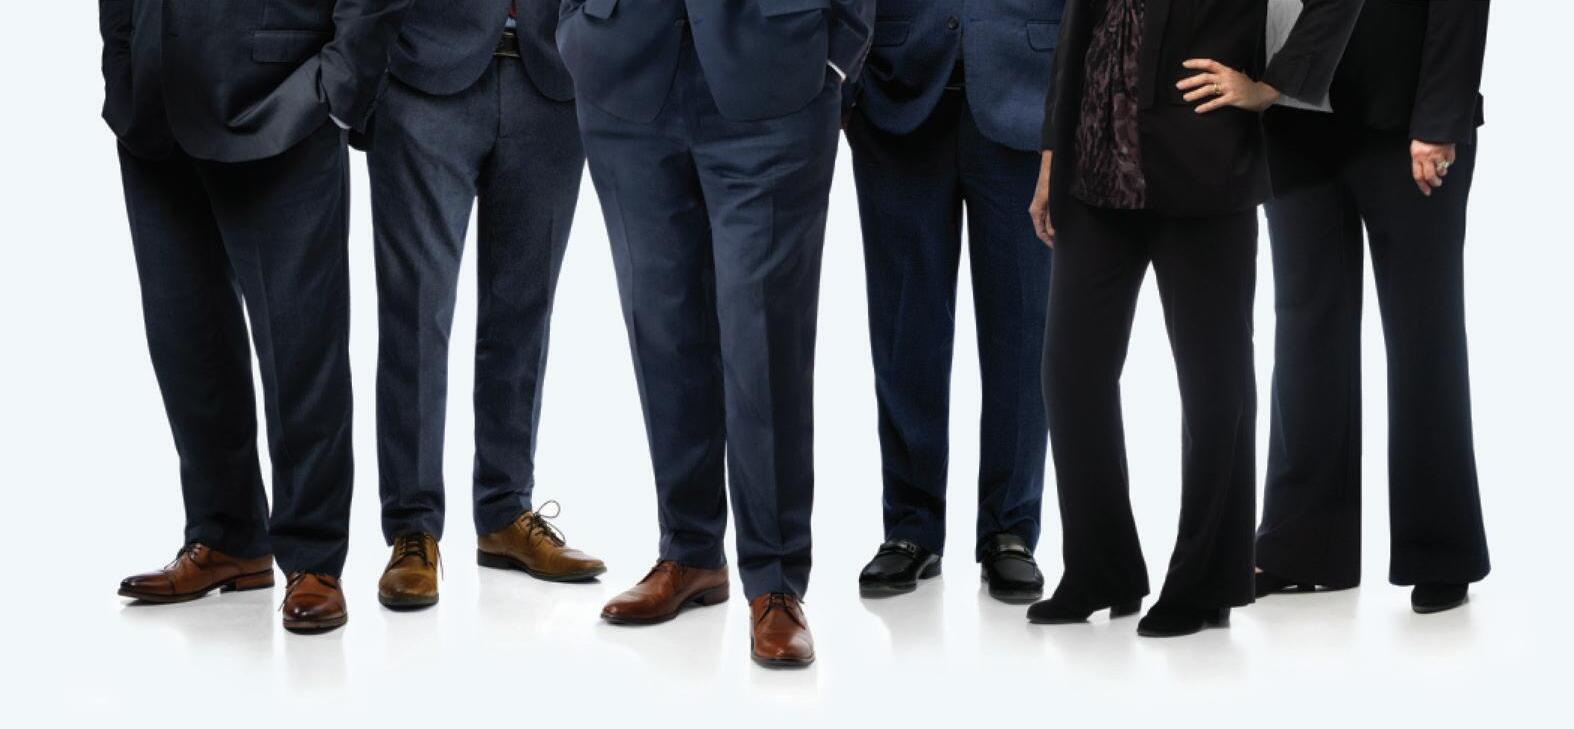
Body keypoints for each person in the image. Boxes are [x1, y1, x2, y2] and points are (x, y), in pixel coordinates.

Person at [1024, 0, 1360, 637]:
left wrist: (1272, 85)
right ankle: (1100, 568)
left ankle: (1206, 583)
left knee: (1214, 390)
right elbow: (1078, 28)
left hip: (1205, 162)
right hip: (1092, 165)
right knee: (1070, 375)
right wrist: (1050, 156)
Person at [557, 0, 873, 668]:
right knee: (660, 327)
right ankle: (690, 550)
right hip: (623, 71)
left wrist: (838, 55)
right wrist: (575, 30)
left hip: (776, 72)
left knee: (766, 340)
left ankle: (776, 581)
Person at [106, 0, 410, 633]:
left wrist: (339, 85)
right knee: (185, 340)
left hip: (281, 101)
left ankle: (314, 557)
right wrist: (123, 60)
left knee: (301, 344)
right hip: (153, 108)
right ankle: (227, 537)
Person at [1255, 0, 1492, 614]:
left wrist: (1440, 117)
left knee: (1423, 336)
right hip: (1292, 116)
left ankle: (1441, 551)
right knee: (1304, 331)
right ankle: (1300, 546)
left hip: (1408, 117)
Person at [366, 0, 604, 611]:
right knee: (417, 309)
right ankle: (413, 529)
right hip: (423, 73)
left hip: (552, 76)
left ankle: (505, 511)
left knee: (526, 310)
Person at [845, 0, 1064, 604]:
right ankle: (910, 527)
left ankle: (1010, 529)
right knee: (903, 326)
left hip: (1030, 95)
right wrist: (845, 84)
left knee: (1024, 329)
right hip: (897, 94)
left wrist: (1072, 114)